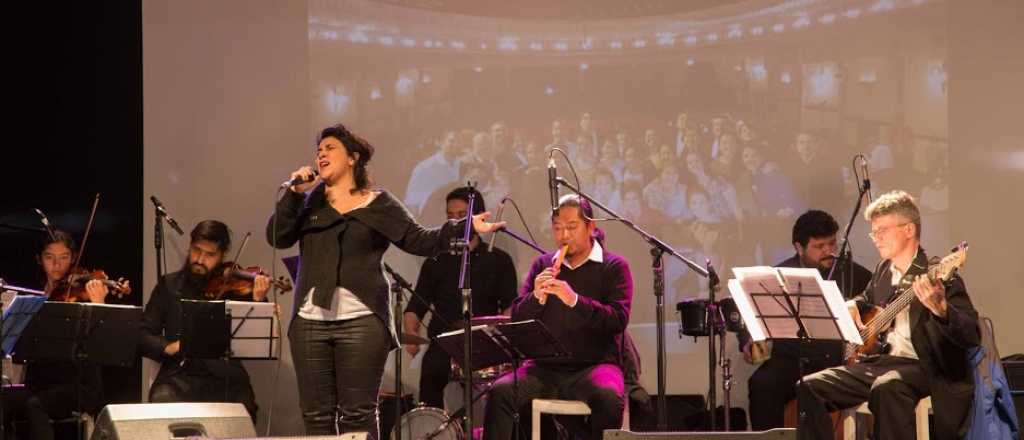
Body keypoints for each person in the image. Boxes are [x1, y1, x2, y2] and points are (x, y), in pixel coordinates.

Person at [266, 123, 502, 437]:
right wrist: (294, 195)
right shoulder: (310, 203)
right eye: (318, 150)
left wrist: (465, 227)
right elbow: (277, 236)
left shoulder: (378, 203)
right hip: (310, 322)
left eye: (330, 148)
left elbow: (419, 239)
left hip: (361, 321)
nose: (321, 154)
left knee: (357, 416)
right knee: (317, 417)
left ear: (352, 158)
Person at [797, 191, 979, 440]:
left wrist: (941, 309)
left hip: (926, 367)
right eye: (874, 232)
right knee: (810, 386)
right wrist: (853, 304)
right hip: (882, 363)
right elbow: (868, 298)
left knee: (888, 388)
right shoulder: (884, 269)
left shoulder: (938, 273)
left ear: (908, 230)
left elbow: (971, 334)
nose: (876, 238)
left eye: (882, 230)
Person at [483, 195, 633, 440]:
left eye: (572, 227)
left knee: (608, 397)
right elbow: (517, 319)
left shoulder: (614, 266)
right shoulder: (543, 263)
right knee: (500, 392)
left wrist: (574, 299)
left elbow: (617, 320)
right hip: (543, 367)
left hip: (595, 366)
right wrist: (535, 297)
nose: (564, 236)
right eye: (558, 228)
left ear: (591, 227)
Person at [737, 210, 872, 430]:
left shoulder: (855, 275)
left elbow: (871, 304)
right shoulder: (778, 274)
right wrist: (748, 339)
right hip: (789, 359)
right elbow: (749, 311)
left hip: (834, 360)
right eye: (819, 247)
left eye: (832, 244)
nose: (829, 251)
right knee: (762, 384)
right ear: (799, 248)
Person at [402, 187, 519, 410]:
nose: (456, 223)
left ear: (478, 217)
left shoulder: (499, 260)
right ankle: (433, 429)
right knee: (431, 372)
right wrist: (411, 333)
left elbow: (509, 307)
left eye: (462, 216)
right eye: (450, 217)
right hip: (444, 343)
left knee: (503, 389)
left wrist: (502, 339)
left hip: (484, 343)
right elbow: (415, 306)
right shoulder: (436, 260)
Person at [140, 220, 268, 422]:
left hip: (225, 374)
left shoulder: (236, 288)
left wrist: (259, 300)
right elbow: (144, 334)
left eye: (210, 255)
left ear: (222, 255)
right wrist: (169, 347)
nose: (200, 259)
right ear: (189, 246)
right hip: (179, 373)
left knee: (244, 406)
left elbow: (257, 336)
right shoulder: (169, 285)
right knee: (163, 399)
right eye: (196, 250)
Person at [4, 230, 111, 440]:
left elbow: (104, 344)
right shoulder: (33, 297)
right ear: (39, 259)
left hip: (78, 384)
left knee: (34, 405)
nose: (56, 265)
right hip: (41, 382)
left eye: (64, 258)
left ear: (73, 259)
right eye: (49, 257)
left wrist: (99, 304)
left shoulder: (83, 293)